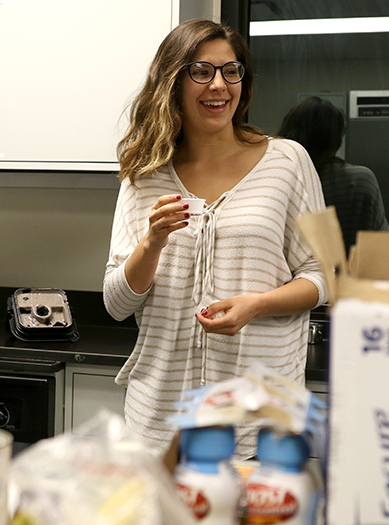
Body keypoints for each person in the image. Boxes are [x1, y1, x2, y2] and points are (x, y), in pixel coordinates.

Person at [103, 19, 328, 456]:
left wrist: (257, 304)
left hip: (258, 424)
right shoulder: (143, 173)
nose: (220, 86)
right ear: (173, 82)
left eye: (232, 71)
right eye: (202, 72)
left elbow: (325, 275)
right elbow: (115, 303)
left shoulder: (289, 161)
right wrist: (151, 243)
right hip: (159, 424)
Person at [278, 96, 389, 254]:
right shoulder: (360, 180)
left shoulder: (279, 179)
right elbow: (381, 242)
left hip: (294, 278)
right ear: (335, 138)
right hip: (349, 277)